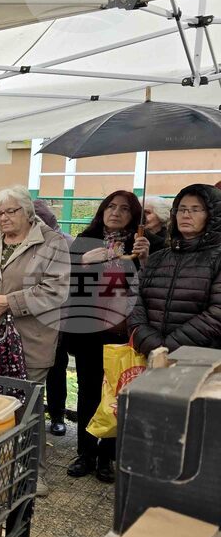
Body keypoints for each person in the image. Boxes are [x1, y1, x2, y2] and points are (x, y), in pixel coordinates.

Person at [0, 186, 70, 498]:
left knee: (28, 409)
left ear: (28, 212)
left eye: (10, 211)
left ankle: (34, 472)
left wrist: (8, 301)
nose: (3, 218)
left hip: (32, 339)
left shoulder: (51, 243)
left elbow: (55, 291)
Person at [62, 190, 144, 483]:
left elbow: (149, 289)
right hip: (89, 330)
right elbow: (66, 285)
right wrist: (83, 263)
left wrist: (143, 260)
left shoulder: (142, 245)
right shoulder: (84, 241)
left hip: (123, 333)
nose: (116, 212)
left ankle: (108, 455)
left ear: (134, 216)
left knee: (118, 394)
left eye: (124, 209)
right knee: (88, 391)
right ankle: (86, 452)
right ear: (102, 210)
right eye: (111, 206)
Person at [130, 184, 221, 355]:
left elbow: (217, 313)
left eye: (195, 209)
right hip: (151, 354)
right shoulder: (157, 258)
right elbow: (134, 298)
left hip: (201, 358)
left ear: (212, 215)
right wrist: (148, 341)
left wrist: (169, 346)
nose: (186, 215)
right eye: (182, 209)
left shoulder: (217, 259)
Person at [33, 198, 71, 437]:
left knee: (57, 369)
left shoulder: (68, 243)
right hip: (30, 318)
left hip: (58, 318)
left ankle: (57, 416)